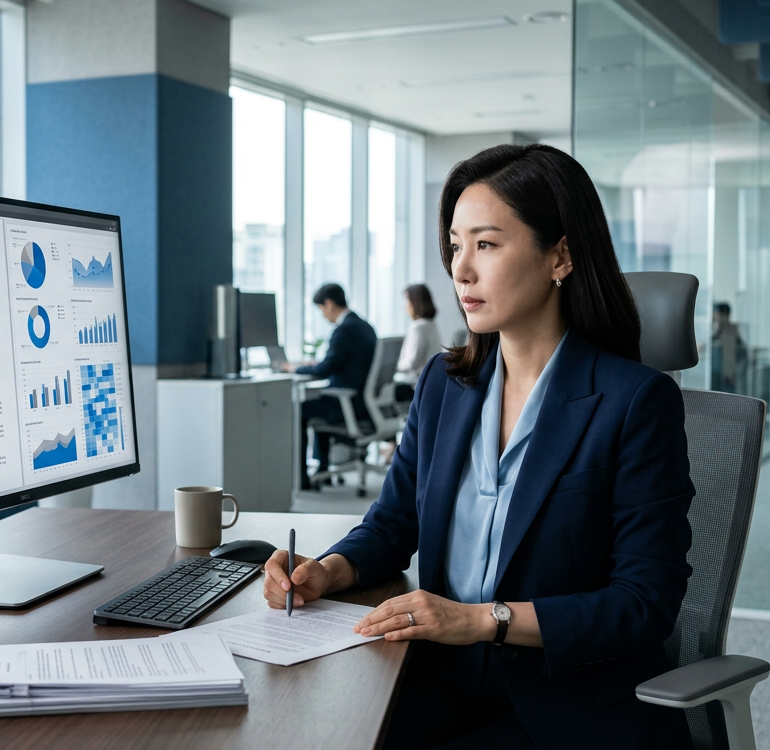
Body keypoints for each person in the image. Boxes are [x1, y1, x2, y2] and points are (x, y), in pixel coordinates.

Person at [263, 144, 695, 749]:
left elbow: (644, 604)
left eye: (486, 245)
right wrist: (328, 570)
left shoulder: (634, 401)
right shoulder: (446, 383)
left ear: (560, 256)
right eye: (456, 246)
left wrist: (481, 621)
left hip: (562, 705)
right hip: (436, 675)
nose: (461, 270)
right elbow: (392, 524)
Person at [281, 283, 377, 489]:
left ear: (329, 304)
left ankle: (302, 479)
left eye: (321, 309)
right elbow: (337, 363)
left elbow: (324, 370)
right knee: (318, 403)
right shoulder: (364, 326)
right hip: (362, 402)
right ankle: (323, 470)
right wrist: (314, 365)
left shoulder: (344, 330)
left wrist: (294, 368)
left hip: (348, 403)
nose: (323, 315)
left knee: (300, 409)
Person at [395, 284, 442, 388]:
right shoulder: (430, 324)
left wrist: (393, 368)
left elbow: (411, 363)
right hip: (430, 380)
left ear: (415, 302)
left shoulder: (418, 327)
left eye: (407, 299)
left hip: (416, 383)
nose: (405, 305)